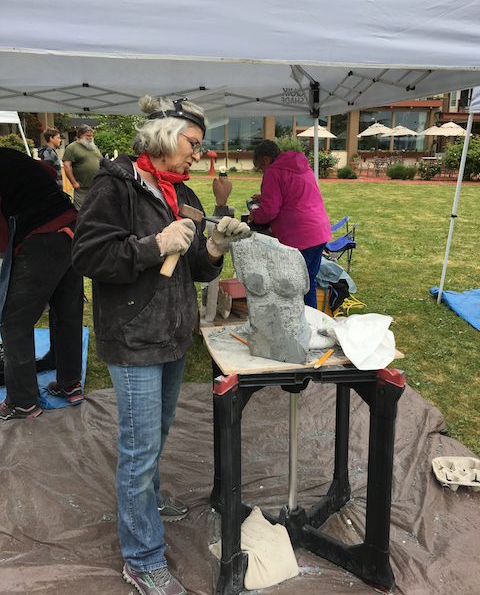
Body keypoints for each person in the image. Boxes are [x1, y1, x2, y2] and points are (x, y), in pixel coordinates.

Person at [71, 95, 250, 595]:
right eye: (194, 143)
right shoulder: (116, 183)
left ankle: (143, 501)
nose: (198, 153)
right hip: (132, 336)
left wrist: (212, 249)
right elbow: (87, 254)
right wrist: (154, 246)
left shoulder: (177, 190)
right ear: (166, 137)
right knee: (140, 446)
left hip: (171, 331)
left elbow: (191, 264)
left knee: (158, 432)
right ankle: (142, 557)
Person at [0, 149, 84, 420]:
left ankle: (23, 401)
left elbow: (3, 238)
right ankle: (70, 384)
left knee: (14, 322)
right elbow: (47, 171)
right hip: (71, 226)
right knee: (67, 311)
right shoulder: (8, 155)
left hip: (42, 236)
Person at [248, 140, 332, 309]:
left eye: (260, 167)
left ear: (265, 160)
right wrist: (265, 196)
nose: (262, 171)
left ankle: (296, 326)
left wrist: (254, 215)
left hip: (301, 237)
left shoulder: (273, 171)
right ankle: (311, 325)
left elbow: (269, 212)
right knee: (309, 283)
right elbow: (294, 193)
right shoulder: (300, 165)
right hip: (320, 231)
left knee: (293, 286)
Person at [62, 124, 102, 210]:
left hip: (97, 186)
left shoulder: (93, 147)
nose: (91, 138)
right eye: (88, 136)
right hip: (82, 187)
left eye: (91, 136)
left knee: (96, 210)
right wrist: (74, 183)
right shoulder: (72, 148)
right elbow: (66, 166)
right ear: (80, 135)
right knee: (81, 211)